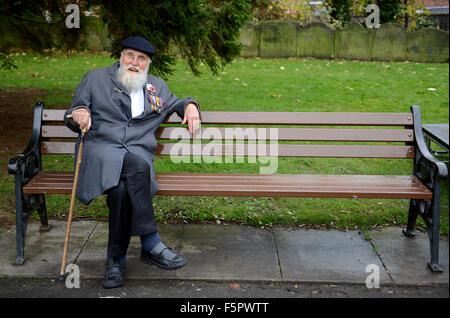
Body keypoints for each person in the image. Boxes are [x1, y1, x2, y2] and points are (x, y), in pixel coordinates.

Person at [64, 36, 201, 288]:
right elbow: (74, 112)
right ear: (121, 56)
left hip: (134, 157)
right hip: (101, 152)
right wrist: (79, 114)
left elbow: (176, 103)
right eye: (130, 56)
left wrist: (191, 105)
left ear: (147, 63)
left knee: (121, 190)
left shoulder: (156, 86)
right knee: (137, 166)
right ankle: (150, 242)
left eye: (141, 58)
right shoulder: (95, 79)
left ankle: (114, 261)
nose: (134, 63)